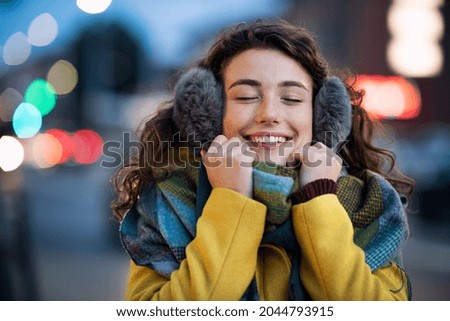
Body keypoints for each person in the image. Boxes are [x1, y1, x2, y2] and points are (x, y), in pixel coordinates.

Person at [112, 19, 414, 300]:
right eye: (245, 97)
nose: (269, 113)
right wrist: (230, 201)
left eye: (292, 99)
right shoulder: (166, 206)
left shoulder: (367, 206)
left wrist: (320, 199)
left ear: (322, 117)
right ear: (209, 113)